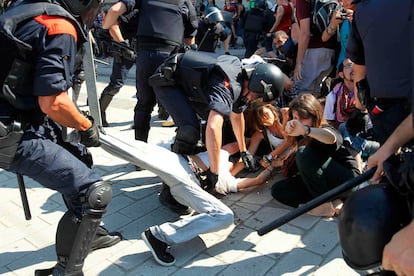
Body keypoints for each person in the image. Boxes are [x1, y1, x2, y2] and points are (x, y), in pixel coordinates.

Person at [0, 0, 122, 274]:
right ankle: (67, 271)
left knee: (79, 158)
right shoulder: (59, 26)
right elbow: (53, 103)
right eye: (96, 5)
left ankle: (94, 233)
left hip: (20, 116)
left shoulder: (24, 9)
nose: (97, 13)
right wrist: (85, 125)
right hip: (12, 131)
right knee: (94, 192)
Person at [150, 52, 286, 196]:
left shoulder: (243, 82)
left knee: (204, 126)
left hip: (191, 84)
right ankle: (168, 192)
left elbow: (237, 115)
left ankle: (179, 166)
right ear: (257, 84)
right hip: (169, 80)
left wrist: (243, 150)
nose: (252, 99)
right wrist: (214, 172)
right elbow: (214, 127)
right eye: (257, 96)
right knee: (190, 131)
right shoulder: (229, 86)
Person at [271, 94, 360, 216]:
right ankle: (335, 201)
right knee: (279, 190)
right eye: (295, 117)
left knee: (303, 152)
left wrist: (306, 130)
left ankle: (323, 204)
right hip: (324, 182)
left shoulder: (324, 129)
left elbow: (331, 138)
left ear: (314, 116)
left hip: (347, 180)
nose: (298, 122)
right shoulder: (299, 135)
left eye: (303, 118)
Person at [132, 0, 198, 146]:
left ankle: (139, 148)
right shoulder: (184, 2)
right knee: (177, 101)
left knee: (144, 104)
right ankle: (184, 145)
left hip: (145, 53)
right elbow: (190, 35)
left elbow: (122, 14)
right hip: (170, 56)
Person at [346, 0, 411, 146]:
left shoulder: (363, 9)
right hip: (390, 103)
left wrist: (359, 109)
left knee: (391, 159)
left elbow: (359, 69)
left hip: (386, 105)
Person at [98, 1, 138, 127]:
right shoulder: (126, 4)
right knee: (116, 84)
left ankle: (161, 113)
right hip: (125, 48)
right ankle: (99, 112)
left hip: (143, 46)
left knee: (152, 83)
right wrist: (123, 45)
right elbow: (112, 25)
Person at [293, 0, 339, 97]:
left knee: (303, 94)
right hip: (331, 49)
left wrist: (298, 63)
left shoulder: (303, 2)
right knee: (318, 93)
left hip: (312, 51)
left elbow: (305, 34)